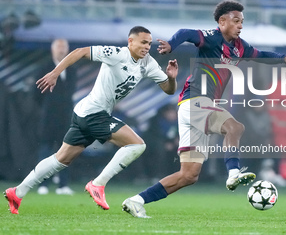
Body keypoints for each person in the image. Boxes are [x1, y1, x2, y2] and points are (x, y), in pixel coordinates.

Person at [122, 0, 286, 218]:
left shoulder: (240, 47)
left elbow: (261, 55)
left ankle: (136, 200)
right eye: (236, 21)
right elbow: (186, 32)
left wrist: (284, 58)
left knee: (188, 175)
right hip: (197, 101)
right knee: (235, 127)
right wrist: (171, 44)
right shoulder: (211, 37)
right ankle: (233, 173)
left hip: (192, 109)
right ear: (222, 21)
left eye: (242, 22)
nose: (240, 25)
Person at [4, 26, 178, 214]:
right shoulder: (116, 53)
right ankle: (98, 184)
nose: (147, 46)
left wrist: (171, 78)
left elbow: (169, 89)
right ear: (130, 41)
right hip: (94, 114)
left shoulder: (148, 63)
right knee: (137, 145)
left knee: (60, 159)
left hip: (86, 112)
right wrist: (55, 73)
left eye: (149, 43)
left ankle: (17, 192)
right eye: (143, 42)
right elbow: (80, 52)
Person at [35, 39, 76, 195]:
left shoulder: (72, 69)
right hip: (47, 118)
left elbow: (71, 92)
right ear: (52, 49)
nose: (61, 50)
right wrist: (45, 109)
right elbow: (36, 95)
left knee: (66, 150)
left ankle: (63, 185)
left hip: (66, 118)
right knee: (45, 151)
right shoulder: (44, 68)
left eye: (64, 47)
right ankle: (42, 184)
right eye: (58, 47)